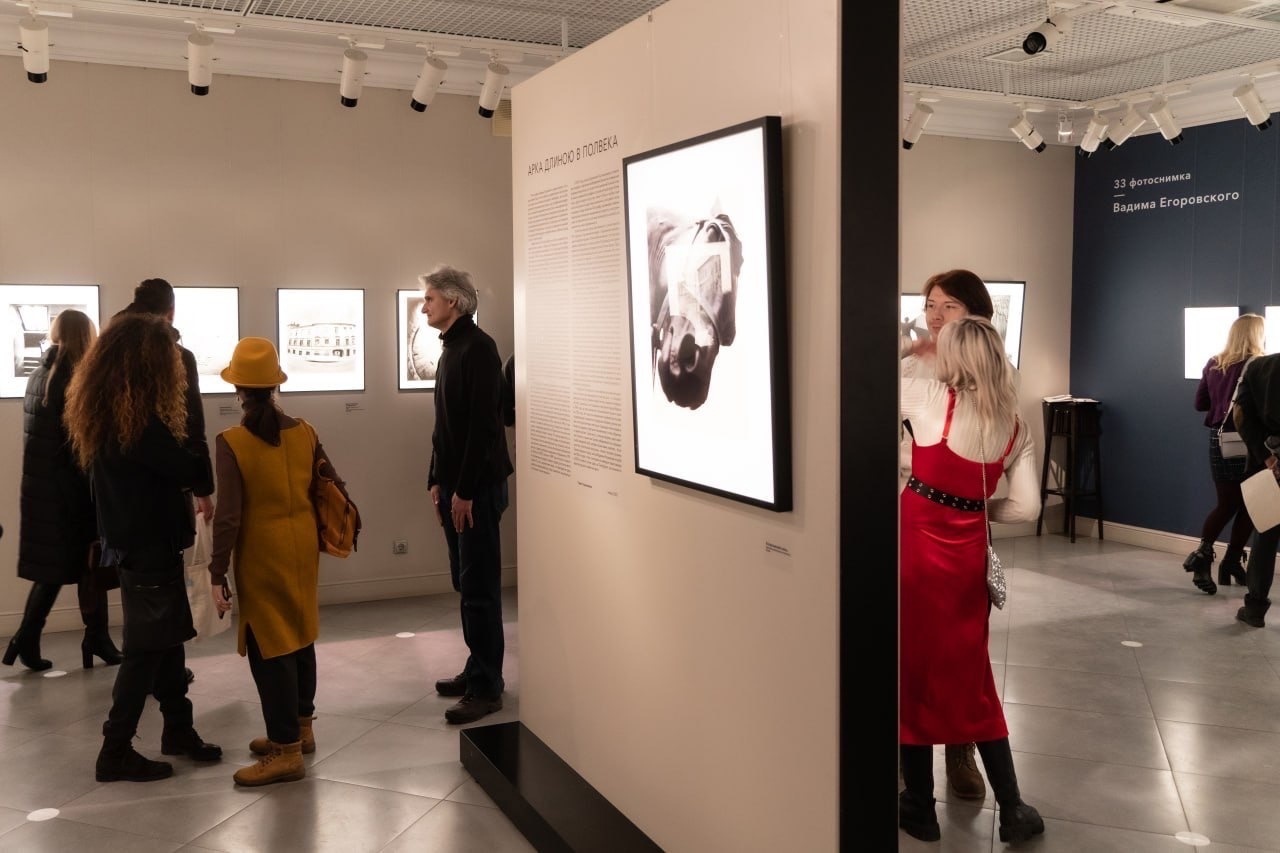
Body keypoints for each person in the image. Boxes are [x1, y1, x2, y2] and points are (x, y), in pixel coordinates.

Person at [899, 316, 1044, 844]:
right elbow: (1027, 508)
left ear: (952, 356)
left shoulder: (926, 399)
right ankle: (1014, 808)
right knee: (972, 677)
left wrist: (911, 348)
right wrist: (975, 507)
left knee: (912, 674)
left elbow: (868, 377)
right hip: (967, 562)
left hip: (914, 551)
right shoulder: (1015, 427)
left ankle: (919, 806)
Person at [64, 313, 222, 783]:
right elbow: (194, 471)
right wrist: (193, 430)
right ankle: (115, 750)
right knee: (145, 650)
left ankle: (178, 730)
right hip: (147, 543)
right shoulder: (137, 424)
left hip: (138, 542)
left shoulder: (111, 412)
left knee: (166, 640)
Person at [208, 337, 344, 786]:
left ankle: (285, 751)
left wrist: (216, 571)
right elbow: (330, 483)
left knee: (270, 648)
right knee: (301, 634)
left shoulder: (232, 442)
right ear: (274, 385)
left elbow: (228, 516)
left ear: (238, 389)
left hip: (261, 552)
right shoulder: (305, 431)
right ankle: (301, 730)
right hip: (302, 546)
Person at [898, 268, 995, 802]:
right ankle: (905, 754)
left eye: (949, 306)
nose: (935, 316)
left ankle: (960, 751)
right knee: (907, 642)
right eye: (930, 305)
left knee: (962, 647)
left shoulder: (990, 373)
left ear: (975, 313)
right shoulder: (912, 366)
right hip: (908, 512)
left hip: (958, 522)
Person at [421, 265, 514, 725]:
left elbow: (483, 429)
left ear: (453, 301)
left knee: (479, 590)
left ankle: (487, 687)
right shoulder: (451, 349)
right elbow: (445, 427)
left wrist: (465, 491)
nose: (424, 306)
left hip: (475, 492)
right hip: (457, 489)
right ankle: (477, 667)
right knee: (466, 584)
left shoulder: (478, 349)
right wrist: (436, 479)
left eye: (430, 298)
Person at [5, 309, 122, 672]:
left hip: (45, 489)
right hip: (71, 491)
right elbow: (80, 446)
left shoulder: (40, 374)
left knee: (59, 568)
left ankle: (33, 637)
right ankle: (90, 638)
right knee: (89, 563)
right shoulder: (74, 377)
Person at [122, 278, 212, 687]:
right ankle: (136, 712)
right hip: (157, 507)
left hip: (119, 507)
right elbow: (191, 429)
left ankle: (172, 693)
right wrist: (202, 486)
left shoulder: (109, 356)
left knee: (148, 601)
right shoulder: (175, 358)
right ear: (170, 313)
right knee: (161, 603)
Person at [1185, 314, 1264, 595]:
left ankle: (1210, 557)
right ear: (1256, 334)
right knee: (1250, 505)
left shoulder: (1214, 363)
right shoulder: (1259, 365)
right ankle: (1226, 561)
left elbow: (1200, 404)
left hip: (1220, 441)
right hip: (1251, 442)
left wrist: (1221, 402)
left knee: (1227, 504)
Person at [1231, 349, 1280, 628]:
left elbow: (1241, 416)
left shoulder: (1260, 367)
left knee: (1266, 533)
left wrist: (1267, 457)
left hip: (1270, 464)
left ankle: (1255, 608)